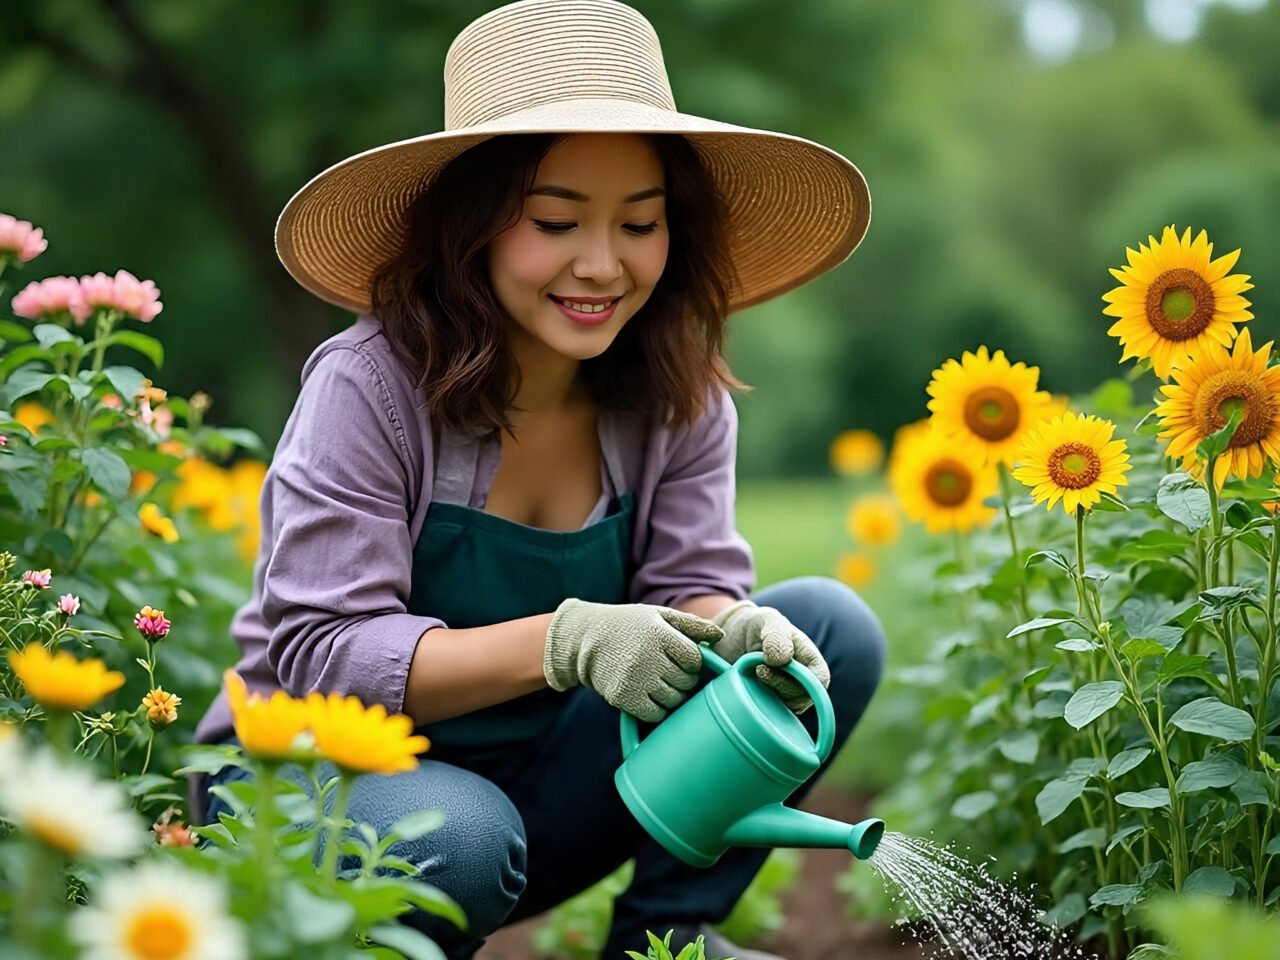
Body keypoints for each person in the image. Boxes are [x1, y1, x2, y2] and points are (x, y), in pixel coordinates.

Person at [192, 0, 886, 957]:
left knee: (827, 638)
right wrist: (564, 641)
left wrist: (730, 624)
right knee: (464, 835)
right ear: (470, 227)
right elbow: (323, 654)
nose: (602, 265)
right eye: (556, 221)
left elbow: (686, 585)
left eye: (639, 224)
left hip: (535, 791)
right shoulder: (370, 388)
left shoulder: (676, 396)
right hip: (308, 783)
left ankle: (666, 942)